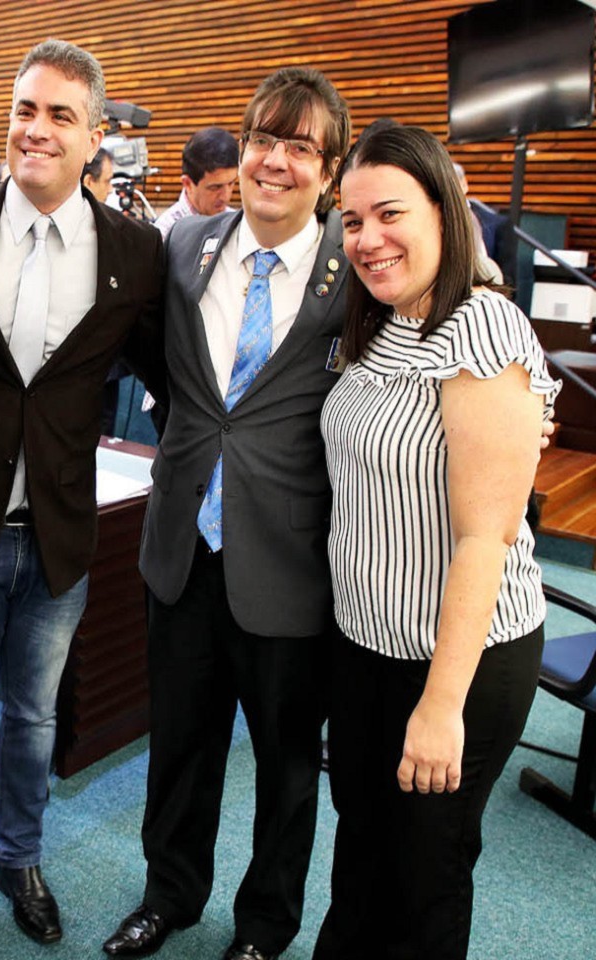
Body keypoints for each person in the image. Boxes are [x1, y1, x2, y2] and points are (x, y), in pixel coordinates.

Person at [0, 39, 162, 960]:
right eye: (25, 109)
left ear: (95, 136)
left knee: (35, 721)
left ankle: (20, 861)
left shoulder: (133, 249)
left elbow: (176, 376)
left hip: (59, 533)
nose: (37, 129)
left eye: (60, 114)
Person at [105, 67, 352, 960]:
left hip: (289, 559)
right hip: (182, 547)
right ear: (241, 150)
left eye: (300, 147)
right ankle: (168, 894)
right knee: (181, 743)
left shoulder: (356, 270)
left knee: (287, 763)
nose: (275, 161)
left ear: (330, 169)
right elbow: (159, 368)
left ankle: (264, 926)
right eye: (262, 140)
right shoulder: (184, 246)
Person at [314, 123, 556, 960]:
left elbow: (486, 538)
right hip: (366, 645)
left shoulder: (482, 328)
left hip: (457, 661)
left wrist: (441, 706)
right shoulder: (380, 322)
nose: (368, 239)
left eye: (391, 214)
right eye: (352, 221)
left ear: (446, 214)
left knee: (425, 875)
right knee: (362, 845)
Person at [153, 126, 239, 238]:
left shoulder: (237, 224)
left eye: (231, 183)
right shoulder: (165, 234)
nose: (226, 196)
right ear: (188, 184)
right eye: (215, 187)